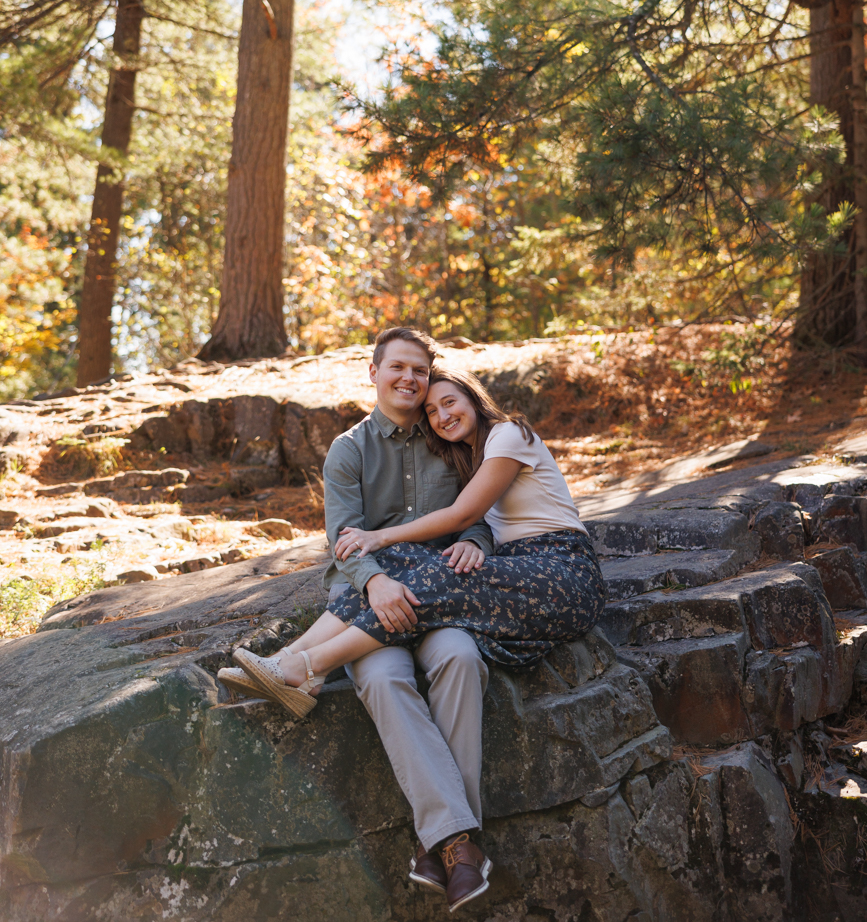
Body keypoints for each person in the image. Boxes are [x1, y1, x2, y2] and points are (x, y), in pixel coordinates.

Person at [229, 344, 605, 913]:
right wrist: (377, 579)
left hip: (455, 596)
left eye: (433, 386)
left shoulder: (474, 447)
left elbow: (471, 522)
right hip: (373, 598)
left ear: (464, 396)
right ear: (374, 372)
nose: (434, 408)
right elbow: (345, 543)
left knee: (458, 658)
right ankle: (457, 845)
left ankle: (300, 665)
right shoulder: (350, 450)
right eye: (403, 373)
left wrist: (471, 547)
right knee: (382, 678)